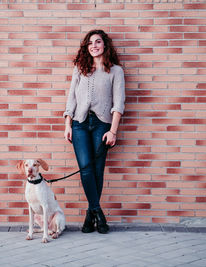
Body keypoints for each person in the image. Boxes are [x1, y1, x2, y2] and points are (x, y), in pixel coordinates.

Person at [63, 29, 125, 234]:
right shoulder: (80, 68)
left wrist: (113, 131)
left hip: (101, 125)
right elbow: (71, 98)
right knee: (86, 169)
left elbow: (119, 103)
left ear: (104, 45)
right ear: (86, 47)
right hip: (80, 123)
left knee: (97, 170)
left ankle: (90, 215)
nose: (94, 45)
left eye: (98, 42)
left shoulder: (115, 71)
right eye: (90, 43)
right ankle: (97, 212)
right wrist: (67, 124)